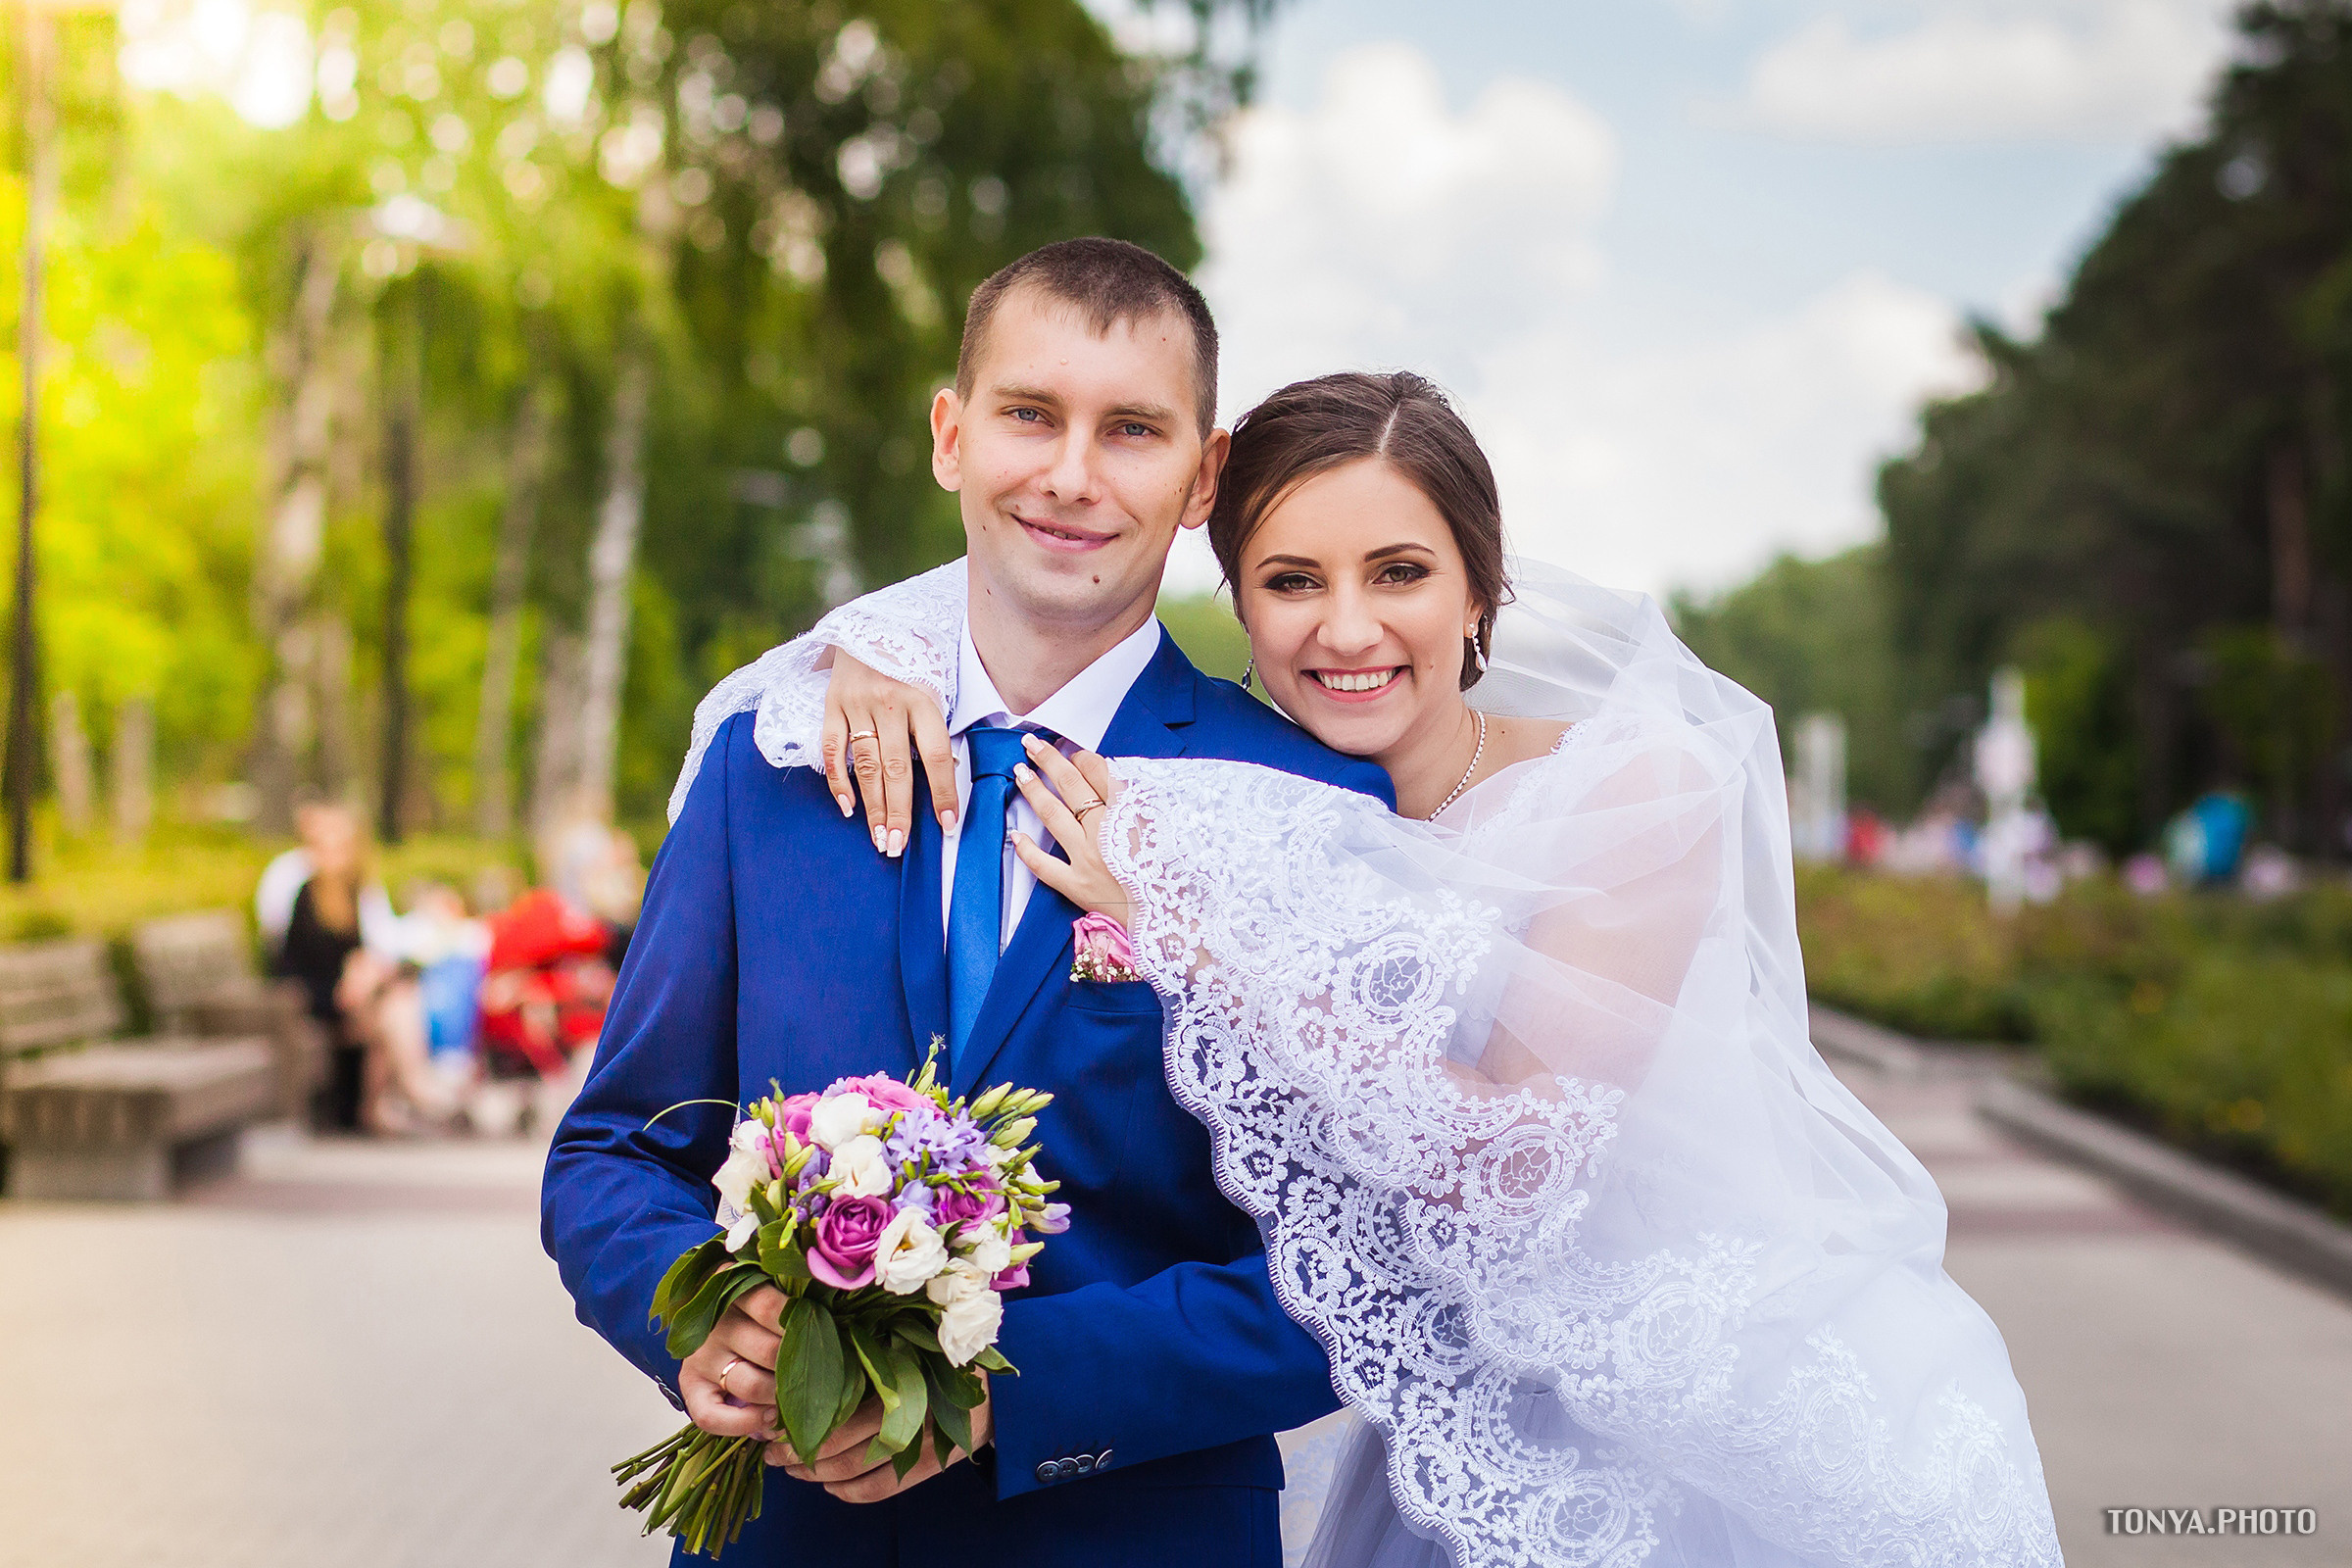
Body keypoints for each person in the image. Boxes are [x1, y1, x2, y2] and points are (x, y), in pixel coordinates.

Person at [775, 370, 2062, 1565]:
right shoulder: (1231, 805)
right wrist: (870, 649)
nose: (1348, 629)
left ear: (1478, 588)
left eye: (1400, 572)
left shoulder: (1628, 790)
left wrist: (1191, 942)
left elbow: (1516, 1166)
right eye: (1290, 581)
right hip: (1425, 1426)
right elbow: (1023, 620)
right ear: (1239, 602)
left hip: (1686, 1428)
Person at [543, 238, 1393, 1568]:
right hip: (784, 1534)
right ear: (951, 435)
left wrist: (1016, 1386)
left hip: (1131, 1534)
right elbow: (613, 1149)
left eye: (1130, 431)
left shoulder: (1309, 809)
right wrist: (692, 1317)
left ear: (1201, 477)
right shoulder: (765, 768)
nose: (1069, 475)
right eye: (1029, 415)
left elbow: (1355, 1274)